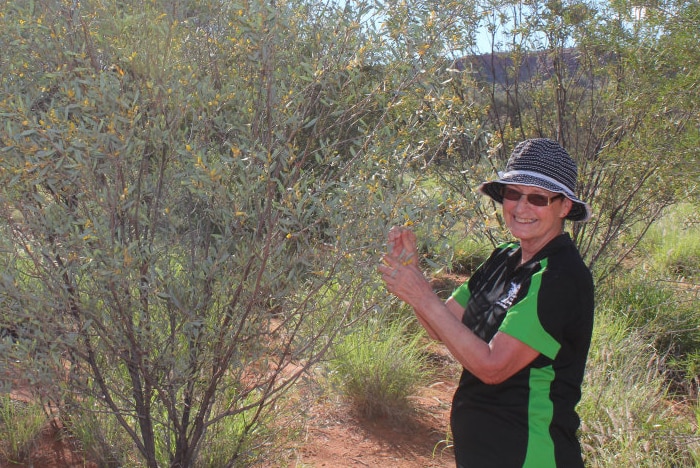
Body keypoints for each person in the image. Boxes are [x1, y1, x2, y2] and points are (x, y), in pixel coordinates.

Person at [379, 138, 594, 467]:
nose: (521, 208)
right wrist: (412, 273)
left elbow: (493, 367)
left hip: (530, 456)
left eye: (537, 198)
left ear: (564, 207)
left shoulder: (559, 278)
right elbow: (442, 325)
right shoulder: (504, 258)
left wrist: (421, 293)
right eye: (513, 194)